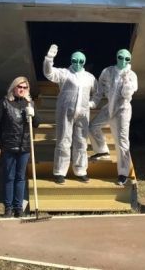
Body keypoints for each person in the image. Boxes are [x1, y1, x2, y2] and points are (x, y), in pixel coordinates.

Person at [43, 44, 96, 184]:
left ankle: (80, 170)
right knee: (63, 141)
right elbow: (48, 73)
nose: (77, 63)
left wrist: (93, 103)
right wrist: (49, 58)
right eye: (75, 60)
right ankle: (60, 172)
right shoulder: (64, 73)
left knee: (81, 142)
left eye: (80, 61)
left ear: (84, 62)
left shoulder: (89, 77)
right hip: (65, 111)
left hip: (83, 113)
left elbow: (98, 92)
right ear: (71, 61)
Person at [88, 49, 138, 186]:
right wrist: (93, 102)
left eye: (127, 59)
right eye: (120, 57)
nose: (123, 61)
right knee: (92, 126)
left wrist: (126, 80)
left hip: (123, 109)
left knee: (122, 141)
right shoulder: (107, 71)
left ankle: (123, 173)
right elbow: (100, 90)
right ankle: (102, 150)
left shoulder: (132, 75)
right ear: (116, 57)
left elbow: (128, 94)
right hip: (109, 107)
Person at [0, 76, 40, 218]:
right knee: (9, 177)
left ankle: (18, 208)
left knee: (20, 177)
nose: (22, 90)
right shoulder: (4, 103)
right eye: (20, 87)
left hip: (24, 145)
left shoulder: (29, 103)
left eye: (25, 88)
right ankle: (8, 208)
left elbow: (37, 123)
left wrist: (33, 113)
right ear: (14, 87)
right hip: (9, 146)